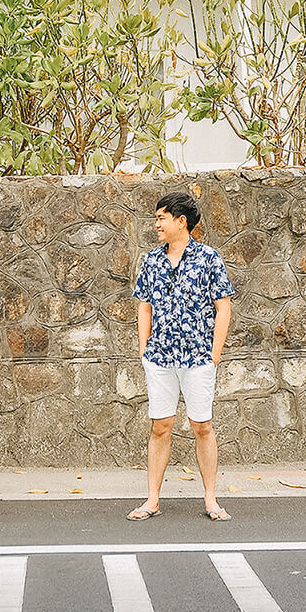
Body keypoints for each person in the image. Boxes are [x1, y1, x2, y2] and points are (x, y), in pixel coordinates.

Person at [129, 191, 235, 522]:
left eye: (162, 218)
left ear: (181, 221)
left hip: (198, 357)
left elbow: (224, 307)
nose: (157, 224)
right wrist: (144, 347)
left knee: (201, 425)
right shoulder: (151, 261)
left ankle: (210, 498)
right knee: (160, 426)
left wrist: (214, 353)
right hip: (159, 357)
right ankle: (152, 499)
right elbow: (143, 305)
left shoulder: (208, 259)